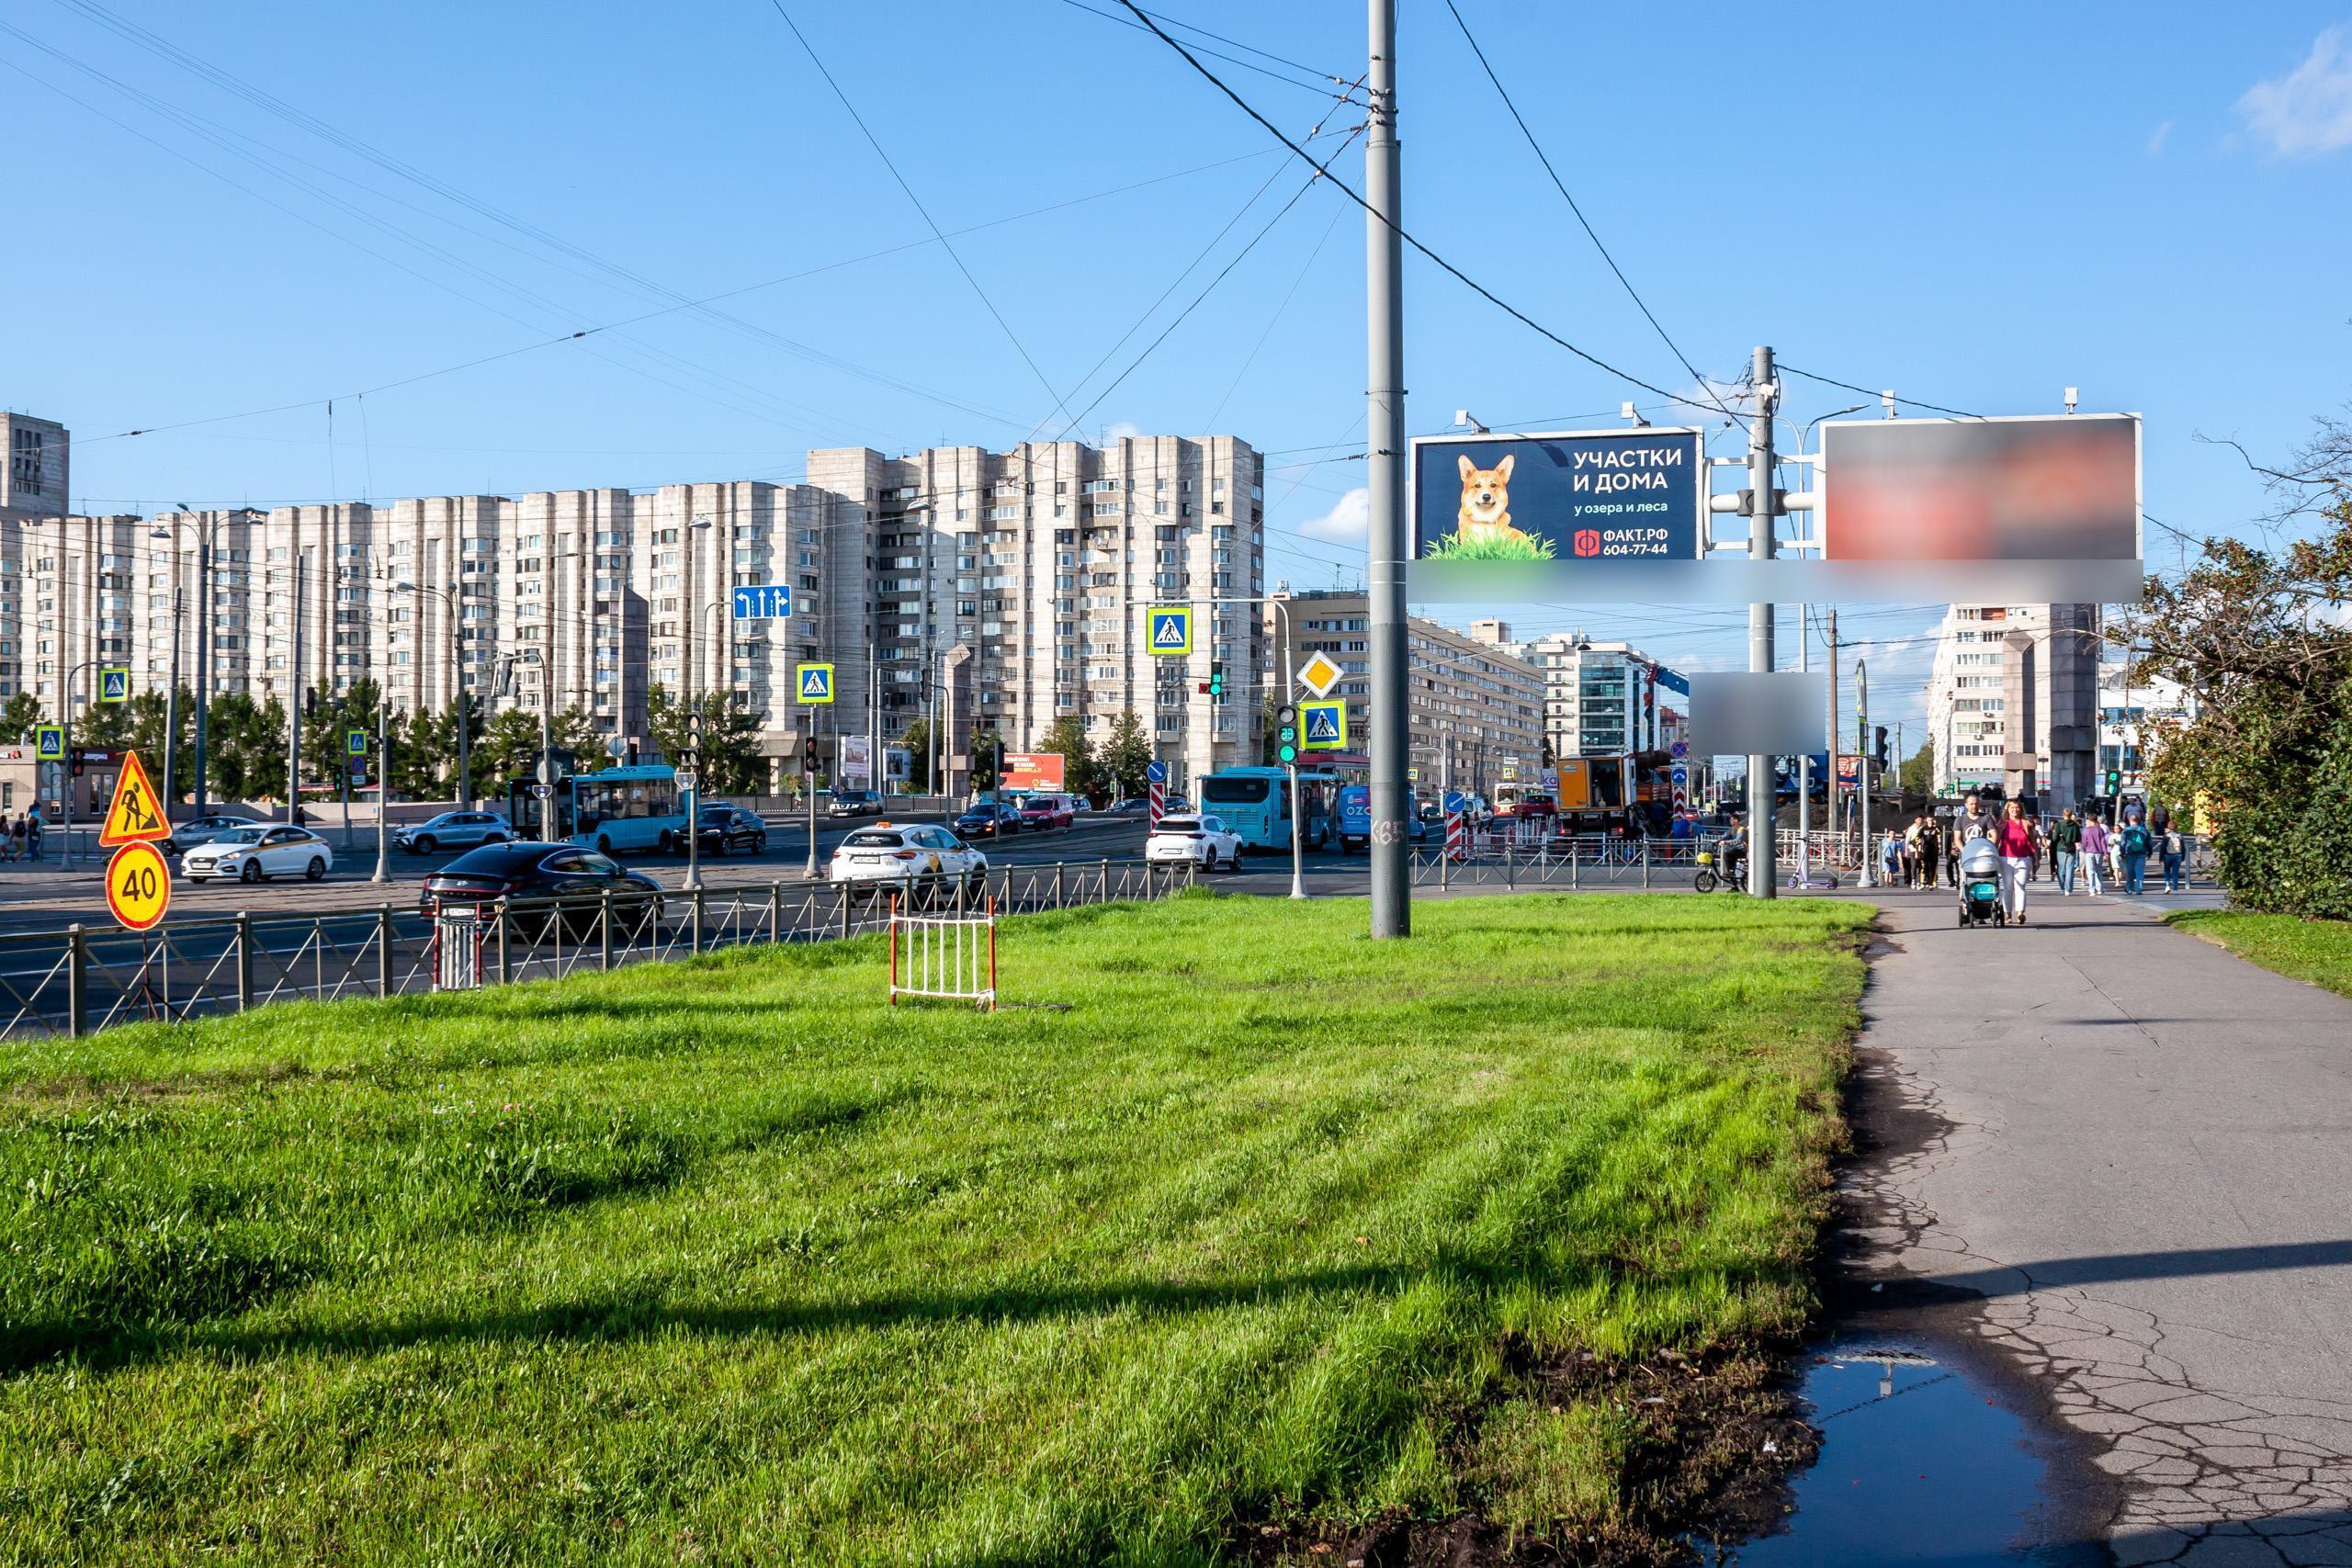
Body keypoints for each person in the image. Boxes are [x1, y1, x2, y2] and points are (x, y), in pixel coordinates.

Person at [1991, 796, 2041, 924]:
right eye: (2012, 807)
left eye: (2017, 807)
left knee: (2021, 886)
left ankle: (2020, 913)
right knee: (2008, 888)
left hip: (2023, 858)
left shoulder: (2026, 823)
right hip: (2006, 858)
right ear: (2007, 809)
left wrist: (2036, 858)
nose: (2015, 810)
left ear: (2021, 809)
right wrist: (1993, 855)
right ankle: (2007, 914)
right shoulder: (2003, 823)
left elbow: (2033, 842)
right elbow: (1996, 842)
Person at [2051, 807, 2083, 896]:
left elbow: (2054, 838)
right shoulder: (2075, 825)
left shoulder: (2058, 824)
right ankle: (2068, 889)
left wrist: (2059, 836)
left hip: (2061, 847)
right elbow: (2078, 838)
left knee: (2061, 869)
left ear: (2063, 814)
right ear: (2071, 814)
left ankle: (2061, 887)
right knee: (2070, 869)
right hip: (2071, 848)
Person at [2119, 810, 2152, 895]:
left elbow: (2123, 843)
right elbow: (2149, 843)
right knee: (2140, 872)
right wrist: (2149, 852)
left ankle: (2129, 889)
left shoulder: (2126, 830)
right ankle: (2139, 889)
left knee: (2130, 872)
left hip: (2130, 853)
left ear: (2130, 820)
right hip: (2141, 853)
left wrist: (2122, 853)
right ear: (2138, 820)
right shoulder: (2144, 830)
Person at [2079, 813, 2109, 896]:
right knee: (2098, 870)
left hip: (2089, 852)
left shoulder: (2086, 830)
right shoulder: (2100, 830)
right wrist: (2105, 852)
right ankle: (2099, 888)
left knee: (2090, 871)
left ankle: (2092, 889)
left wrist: (2083, 849)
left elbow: (2084, 843)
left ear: (2089, 820)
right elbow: (2103, 842)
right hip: (2099, 852)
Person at [1915, 811, 1940, 890]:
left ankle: (1931, 883)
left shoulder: (1936, 829)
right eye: (1929, 820)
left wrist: (1939, 848)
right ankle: (1922, 883)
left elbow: (1939, 837)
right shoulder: (1923, 828)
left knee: (1933, 867)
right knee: (1924, 866)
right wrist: (1918, 841)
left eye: (1932, 820)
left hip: (1934, 850)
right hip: (1926, 850)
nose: (1930, 822)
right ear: (1926, 820)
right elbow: (1917, 837)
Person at [2160, 824, 2187, 893]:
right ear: (2176, 828)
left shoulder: (2166, 836)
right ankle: (2175, 889)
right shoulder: (2180, 836)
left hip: (2167, 856)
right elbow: (2183, 848)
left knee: (2167, 871)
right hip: (2178, 856)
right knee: (2175, 873)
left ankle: (2167, 886)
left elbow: (2162, 848)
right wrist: (2183, 857)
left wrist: (2160, 858)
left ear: (2169, 828)